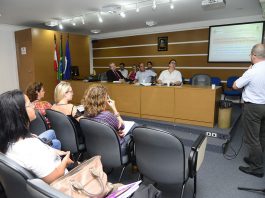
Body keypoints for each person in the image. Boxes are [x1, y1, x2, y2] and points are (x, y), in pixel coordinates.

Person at [0, 90, 73, 184]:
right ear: (20, 113)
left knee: (53, 138)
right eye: (29, 104)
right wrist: (66, 160)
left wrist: (55, 152)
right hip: (62, 184)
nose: (33, 105)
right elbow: (53, 178)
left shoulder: (7, 140)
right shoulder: (32, 148)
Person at [233, 44, 265, 178]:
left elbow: (235, 86)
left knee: (252, 138)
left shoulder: (252, 71)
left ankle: (256, 168)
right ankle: (256, 159)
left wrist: (246, 72)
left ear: (254, 55)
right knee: (261, 135)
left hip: (253, 108)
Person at [81, 84, 131, 156]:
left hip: (96, 146)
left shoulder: (85, 113)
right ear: (102, 99)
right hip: (116, 149)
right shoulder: (106, 116)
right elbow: (122, 126)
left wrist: (116, 131)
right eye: (106, 97)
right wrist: (114, 108)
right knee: (134, 131)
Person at [26, 82, 61, 150]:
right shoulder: (45, 104)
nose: (44, 92)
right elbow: (57, 115)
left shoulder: (28, 107)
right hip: (47, 130)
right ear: (37, 92)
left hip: (34, 132)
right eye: (42, 90)